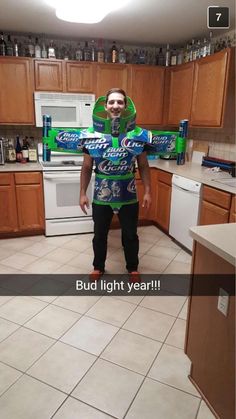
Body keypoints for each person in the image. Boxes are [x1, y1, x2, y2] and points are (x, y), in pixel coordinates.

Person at [79, 88, 152, 281]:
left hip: (129, 194)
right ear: (105, 106)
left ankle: (132, 267)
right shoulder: (92, 135)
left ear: (126, 106)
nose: (115, 106)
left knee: (130, 234)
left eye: (120, 102)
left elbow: (143, 165)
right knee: (99, 234)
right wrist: (82, 193)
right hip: (102, 195)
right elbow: (87, 167)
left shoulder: (138, 135)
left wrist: (148, 192)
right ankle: (98, 267)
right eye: (112, 102)